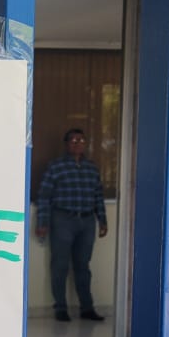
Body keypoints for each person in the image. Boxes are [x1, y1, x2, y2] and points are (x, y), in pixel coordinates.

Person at [34, 128, 108, 323]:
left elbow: (98, 196)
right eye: (74, 141)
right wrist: (42, 222)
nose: (78, 144)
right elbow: (44, 196)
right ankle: (60, 308)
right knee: (60, 265)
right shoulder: (56, 166)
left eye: (81, 141)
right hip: (63, 219)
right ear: (66, 144)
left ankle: (87, 308)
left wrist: (102, 220)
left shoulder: (91, 168)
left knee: (83, 266)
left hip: (86, 221)